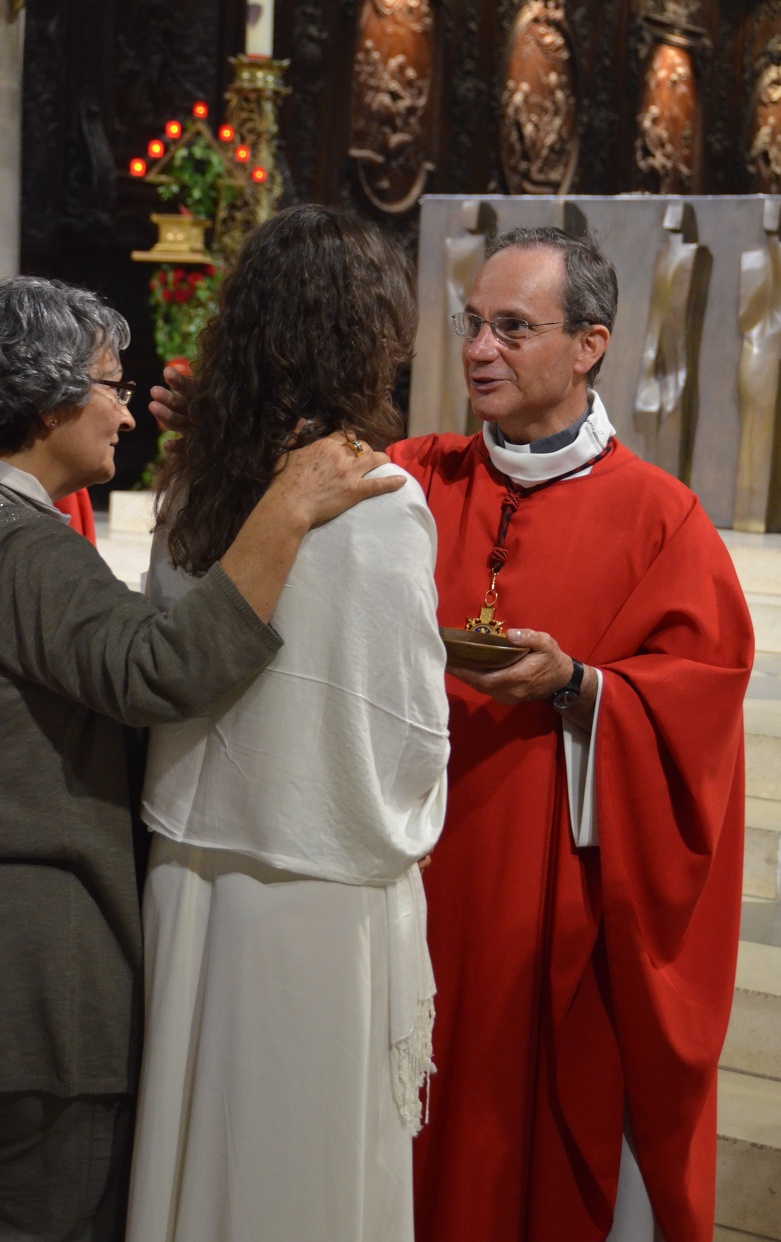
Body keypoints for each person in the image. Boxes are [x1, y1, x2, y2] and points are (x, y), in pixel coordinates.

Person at [0, 274, 404, 1242]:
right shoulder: (24, 547)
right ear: (53, 400)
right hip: (40, 992)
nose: (126, 406)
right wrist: (289, 505)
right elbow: (160, 668)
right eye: (110, 383)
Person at [385, 227, 754, 1242]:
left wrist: (582, 688)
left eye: (512, 327)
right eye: (471, 325)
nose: (478, 350)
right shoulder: (413, 479)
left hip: (549, 894)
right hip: (409, 873)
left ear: (587, 345)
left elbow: (699, 701)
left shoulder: (661, 520)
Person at [125, 205, 450, 1242]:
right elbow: (405, 726)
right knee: (298, 1173)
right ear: (368, 336)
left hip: (188, 869)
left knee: (193, 1145)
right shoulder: (379, 500)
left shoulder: (198, 485)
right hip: (316, 890)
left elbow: (169, 659)